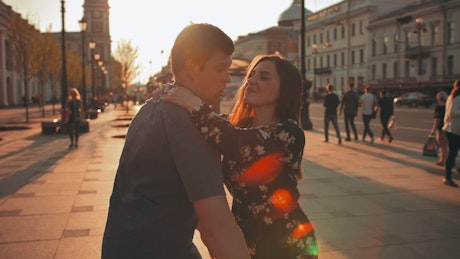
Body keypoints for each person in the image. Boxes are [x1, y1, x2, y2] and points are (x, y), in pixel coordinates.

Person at [101, 23, 249, 259]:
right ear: (192, 67)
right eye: (221, 68)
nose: (228, 77)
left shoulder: (151, 107)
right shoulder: (191, 123)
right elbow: (215, 227)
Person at [165, 54, 319, 258]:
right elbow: (212, 127)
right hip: (245, 238)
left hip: (286, 241)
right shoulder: (239, 126)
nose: (251, 81)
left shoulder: (289, 132)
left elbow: (231, 139)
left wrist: (191, 102)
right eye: (252, 74)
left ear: (284, 89)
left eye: (264, 77)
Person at [442, 79, 460, 187]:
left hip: (452, 129)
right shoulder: (457, 97)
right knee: (452, 153)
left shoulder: (451, 96)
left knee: (453, 153)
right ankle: (448, 178)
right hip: (454, 130)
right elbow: (452, 112)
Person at [430, 91, 448, 166]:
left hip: (441, 128)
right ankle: (446, 159)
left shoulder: (438, 108)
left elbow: (436, 120)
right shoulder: (448, 107)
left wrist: (433, 130)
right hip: (449, 127)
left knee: (442, 145)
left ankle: (443, 160)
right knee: (446, 145)